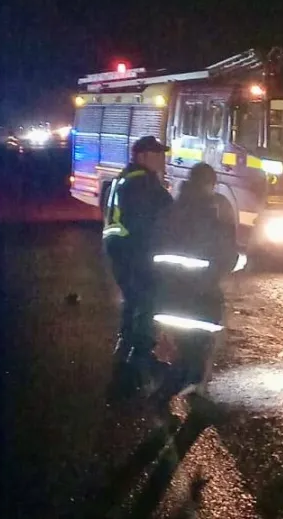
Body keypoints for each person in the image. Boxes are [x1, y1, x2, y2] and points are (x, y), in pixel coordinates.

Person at [151, 163, 239, 394]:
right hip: (200, 299)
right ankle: (162, 402)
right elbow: (227, 256)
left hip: (168, 297)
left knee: (183, 351)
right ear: (210, 185)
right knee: (194, 358)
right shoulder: (211, 217)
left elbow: (154, 250)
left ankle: (178, 395)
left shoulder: (169, 211)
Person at [102, 135, 173, 391]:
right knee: (146, 299)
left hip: (120, 249)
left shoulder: (125, 178)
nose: (162, 159)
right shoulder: (142, 183)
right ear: (142, 156)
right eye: (156, 154)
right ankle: (139, 356)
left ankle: (126, 347)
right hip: (135, 251)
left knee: (134, 300)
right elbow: (148, 221)